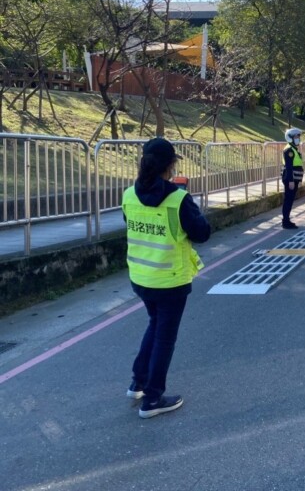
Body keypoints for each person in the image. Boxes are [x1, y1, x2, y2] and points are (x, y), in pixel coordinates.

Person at [122, 137, 211, 419]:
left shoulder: (128, 195)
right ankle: (152, 398)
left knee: (155, 325)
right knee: (164, 338)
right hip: (170, 281)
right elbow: (202, 233)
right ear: (171, 166)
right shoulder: (178, 200)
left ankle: (138, 381)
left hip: (141, 278)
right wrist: (190, 204)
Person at [281, 127, 304, 229]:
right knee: (288, 200)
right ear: (290, 138)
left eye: (299, 136)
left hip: (294, 179)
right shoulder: (289, 150)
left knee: (290, 200)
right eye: (297, 136)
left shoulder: (293, 149)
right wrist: (291, 181)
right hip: (290, 179)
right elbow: (289, 167)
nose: (298, 138)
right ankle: (285, 221)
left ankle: (287, 220)